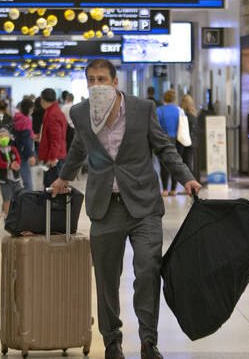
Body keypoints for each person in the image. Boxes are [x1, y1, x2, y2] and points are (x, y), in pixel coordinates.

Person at [51, 60, 201, 359]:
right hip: (105, 208)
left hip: (144, 206)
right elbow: (79, 148)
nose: (97, 85)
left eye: (102, 79)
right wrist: (64, 177)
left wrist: (186, 177)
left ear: (115, 82)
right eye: (91, 80)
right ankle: (112, 342)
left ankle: (148, 341)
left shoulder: (142, 109)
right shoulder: (81, 113)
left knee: (148, 271)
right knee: (106, 279)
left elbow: (164, 147)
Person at [38, 88, 67, 188]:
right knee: (50, 186)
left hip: (54, 159)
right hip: (53, 155)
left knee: (52, 188)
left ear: (43, 99)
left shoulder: (53, 114)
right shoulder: (52, 111)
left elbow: (56, 139)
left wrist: (53, 157)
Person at [156, 89, 182, 196]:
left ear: (164, 98)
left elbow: (156, 126)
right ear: (174, 99)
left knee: (164, 165)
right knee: (175, 164)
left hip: (163, 139)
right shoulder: (179, 110)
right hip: (177, 140)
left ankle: (165, 189)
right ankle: (174, 189)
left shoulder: (159, 110)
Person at [0, 128, 23, 217]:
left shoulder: (13, 149)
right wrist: (9, 165)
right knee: (7, 198)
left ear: (9, 137)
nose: (4, 138)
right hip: (4, 179)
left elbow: (18, 159)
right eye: (1, 136)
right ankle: (7, 216)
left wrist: (17, 164)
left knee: (19, 196)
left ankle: (18, 214)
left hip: (15, 178)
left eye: (6, 136)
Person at [13, 99, 37, 191]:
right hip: (24, 154)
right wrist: (31, 155)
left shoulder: (16, 118)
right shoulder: (26, 120)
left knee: (17, 181)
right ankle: (28, 198)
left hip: (16, 152)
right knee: (28, 182)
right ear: (29, 109)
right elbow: (26, 139)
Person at [180, 94, 199, 178]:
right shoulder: (194, 115)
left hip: (186, 142)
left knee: (186, 163)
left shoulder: (185, 115)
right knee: (189, 163)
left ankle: (190, 181)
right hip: (193, 142)